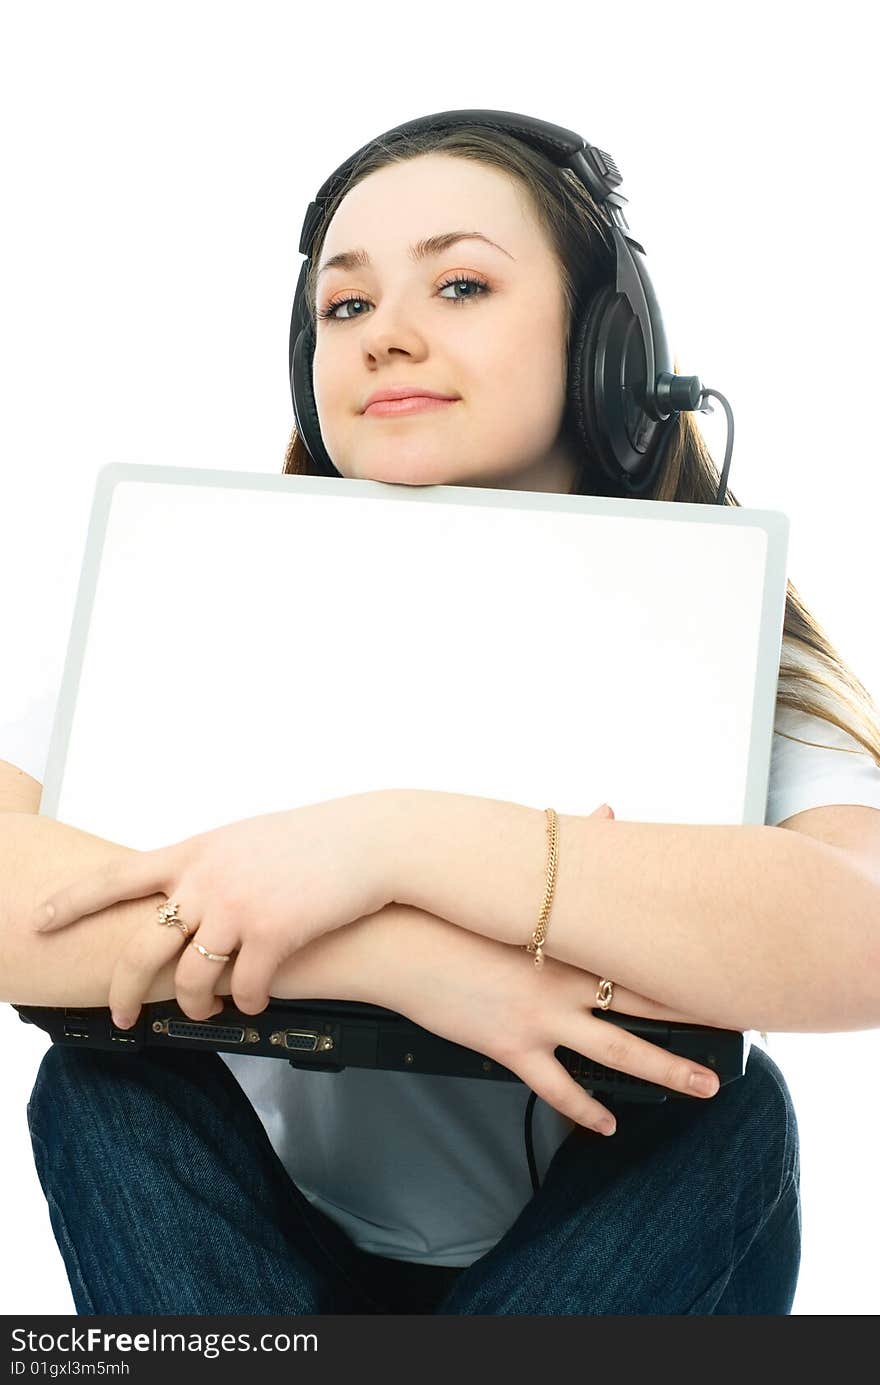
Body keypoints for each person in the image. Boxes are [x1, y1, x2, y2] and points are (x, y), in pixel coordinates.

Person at [12, 116, 880, 1315]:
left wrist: (390, 839)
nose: (389, 337)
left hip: (608, 1242)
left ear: (606, 349)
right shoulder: (189, 603)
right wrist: (398, 962)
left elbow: (861, 932)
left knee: (729, 1112)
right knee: (98, 1084)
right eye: (346, 307)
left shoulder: (726, 634)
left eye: (460, 283)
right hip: (257, 1253)